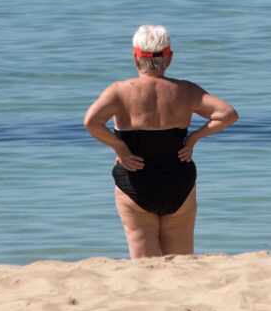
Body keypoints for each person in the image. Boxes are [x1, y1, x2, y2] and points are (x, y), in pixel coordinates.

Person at [82, 25, 239, 258]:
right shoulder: (185, 90)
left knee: (145, 266)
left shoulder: (119, 92)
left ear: (135, 58)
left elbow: (91, 122)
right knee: (182, 263)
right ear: (169, 58)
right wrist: (194, 137)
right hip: (178, 180)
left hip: (135, 182)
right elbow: (228, 114)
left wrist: (120, 147)